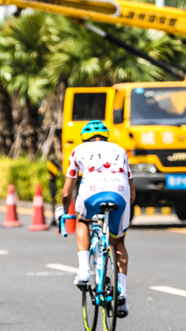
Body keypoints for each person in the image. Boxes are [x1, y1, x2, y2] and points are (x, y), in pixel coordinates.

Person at [57, 120, 135, 318]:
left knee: (83, 220)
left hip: (92, 189)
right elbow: (132, 192)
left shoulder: (78, 150)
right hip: (120, 191)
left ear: (85, 137)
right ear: (106, 137)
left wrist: (64, 209)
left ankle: (84, 271)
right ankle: (122, 293)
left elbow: (67, 191)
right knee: (118, 243)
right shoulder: (120, 150)